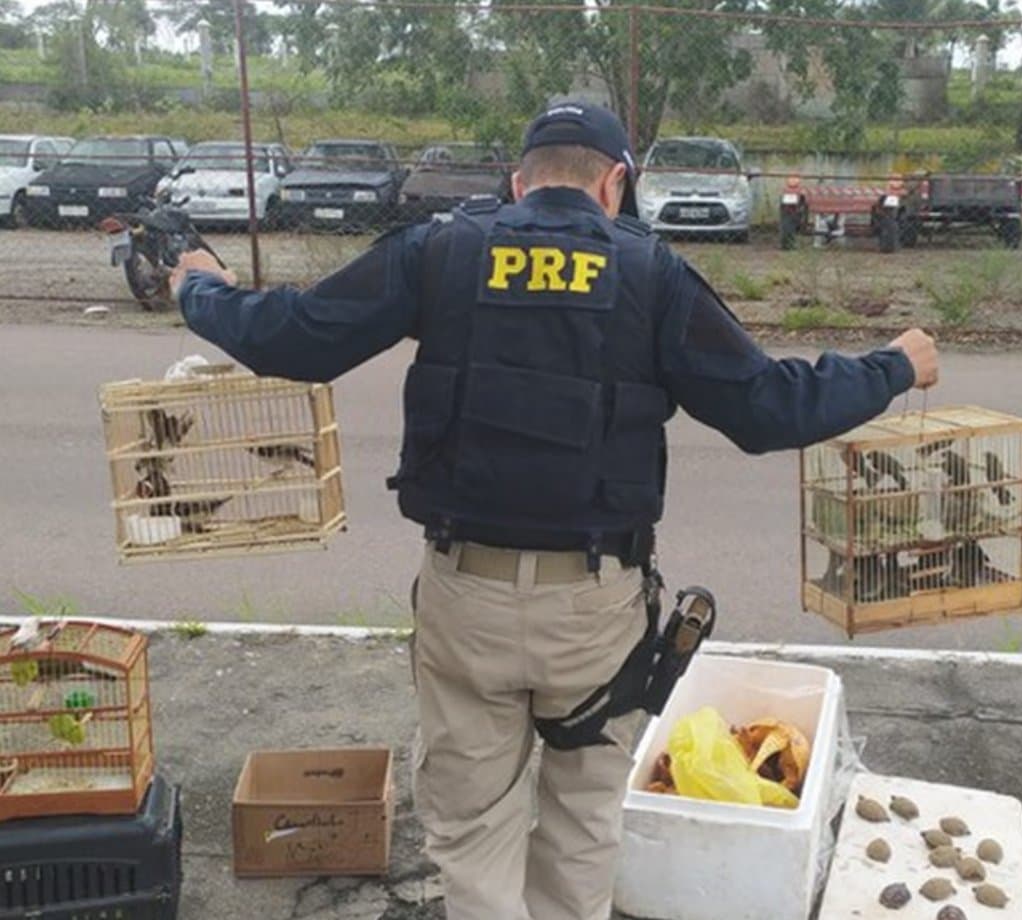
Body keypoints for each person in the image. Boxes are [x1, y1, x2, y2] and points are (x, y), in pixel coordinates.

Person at [172, 102, 938, 920]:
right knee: (581, 830)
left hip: (466, 596)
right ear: (616, 183)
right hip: (595, 611)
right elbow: (765, 409)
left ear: (518, 184)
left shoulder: (443, 251)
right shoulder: (651, 274)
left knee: (471, 833)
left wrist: (201, 290)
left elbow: (296, 336)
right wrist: (892, 367)